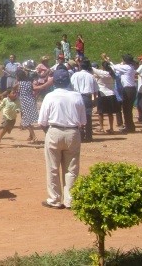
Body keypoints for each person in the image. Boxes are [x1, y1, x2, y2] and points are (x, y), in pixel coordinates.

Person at [38, 68, 86, 209]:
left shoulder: (50, 96)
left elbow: (42, 121)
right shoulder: (77, 96)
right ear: (68, 81)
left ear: (54, 82)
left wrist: (49, 132)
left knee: (52, 167)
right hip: (72, 132)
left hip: (54, 130)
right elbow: (83, 121)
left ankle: (54, 199)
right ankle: (70, 200)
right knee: (71, 168)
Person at [70, 59, 98, 142]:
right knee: (88, 117)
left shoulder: (75, 75)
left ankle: (80, 135)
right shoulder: (91, 76)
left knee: (78, 117)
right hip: (87, 97)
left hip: (76, 96)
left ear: (80, 66)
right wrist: (95, 100)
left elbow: (71, 87)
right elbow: (95, 90)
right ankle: (89, 136)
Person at [112, 54, 137, 132]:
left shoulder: (126, 67)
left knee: (126, 109)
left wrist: (108, 61)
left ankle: (129, 127)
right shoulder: (130, 66)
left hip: (128, 89)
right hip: (131, 89)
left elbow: (114, 67)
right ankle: (130, 126)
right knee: (128, 109)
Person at [92, 61, 118, 133]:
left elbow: (93, 69)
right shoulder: (112, 73)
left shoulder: (102, 73)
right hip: (111, 94)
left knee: (100, 112)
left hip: (102, 93)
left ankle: (101, 127)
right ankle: (111, 128)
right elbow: (113, 66)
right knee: (110, 113)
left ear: (103, 67)